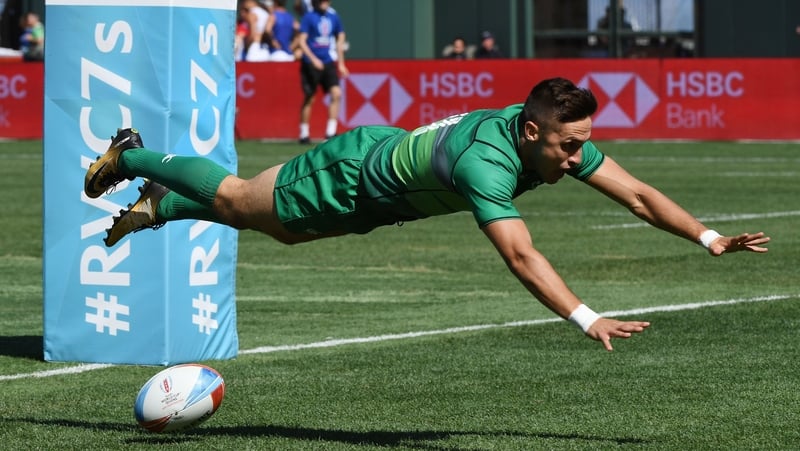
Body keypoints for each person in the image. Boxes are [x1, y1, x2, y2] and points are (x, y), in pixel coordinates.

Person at [84, 77, 770, 351]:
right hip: (351, 175)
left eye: (583, 144)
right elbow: (521, 255)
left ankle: (163, 207)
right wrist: (589, 317)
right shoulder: (488, 163)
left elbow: (640, 194)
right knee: (239, 198)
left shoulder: (552, 146)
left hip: (385, 192)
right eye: (570, 145)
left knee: (277, 229)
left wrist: (707, 237)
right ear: (532, 132)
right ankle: (135, 155)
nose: (580, 158)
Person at [296, 0, 348, 144]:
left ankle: (330, 133)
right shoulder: (309, 17)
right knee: (310, 97)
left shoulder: (333, 17)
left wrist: (341, 63)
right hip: (310, 63)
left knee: (337, 93)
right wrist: (313, 60)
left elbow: (340, 37)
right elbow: (301, 41)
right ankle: (304, 133)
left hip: (327, 61)